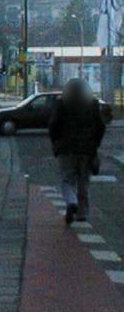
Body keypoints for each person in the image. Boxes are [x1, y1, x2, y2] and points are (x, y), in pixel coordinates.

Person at [48, 78, 107, 225]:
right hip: (87, 150)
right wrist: (95, 145)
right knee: (83, 181)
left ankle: (71, 201)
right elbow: (101, 127)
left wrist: (55, 142)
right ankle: (82, 213)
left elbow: (53, 125)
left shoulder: (62, 104)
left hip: (65, 149)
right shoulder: (92, 105)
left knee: (67, 180)